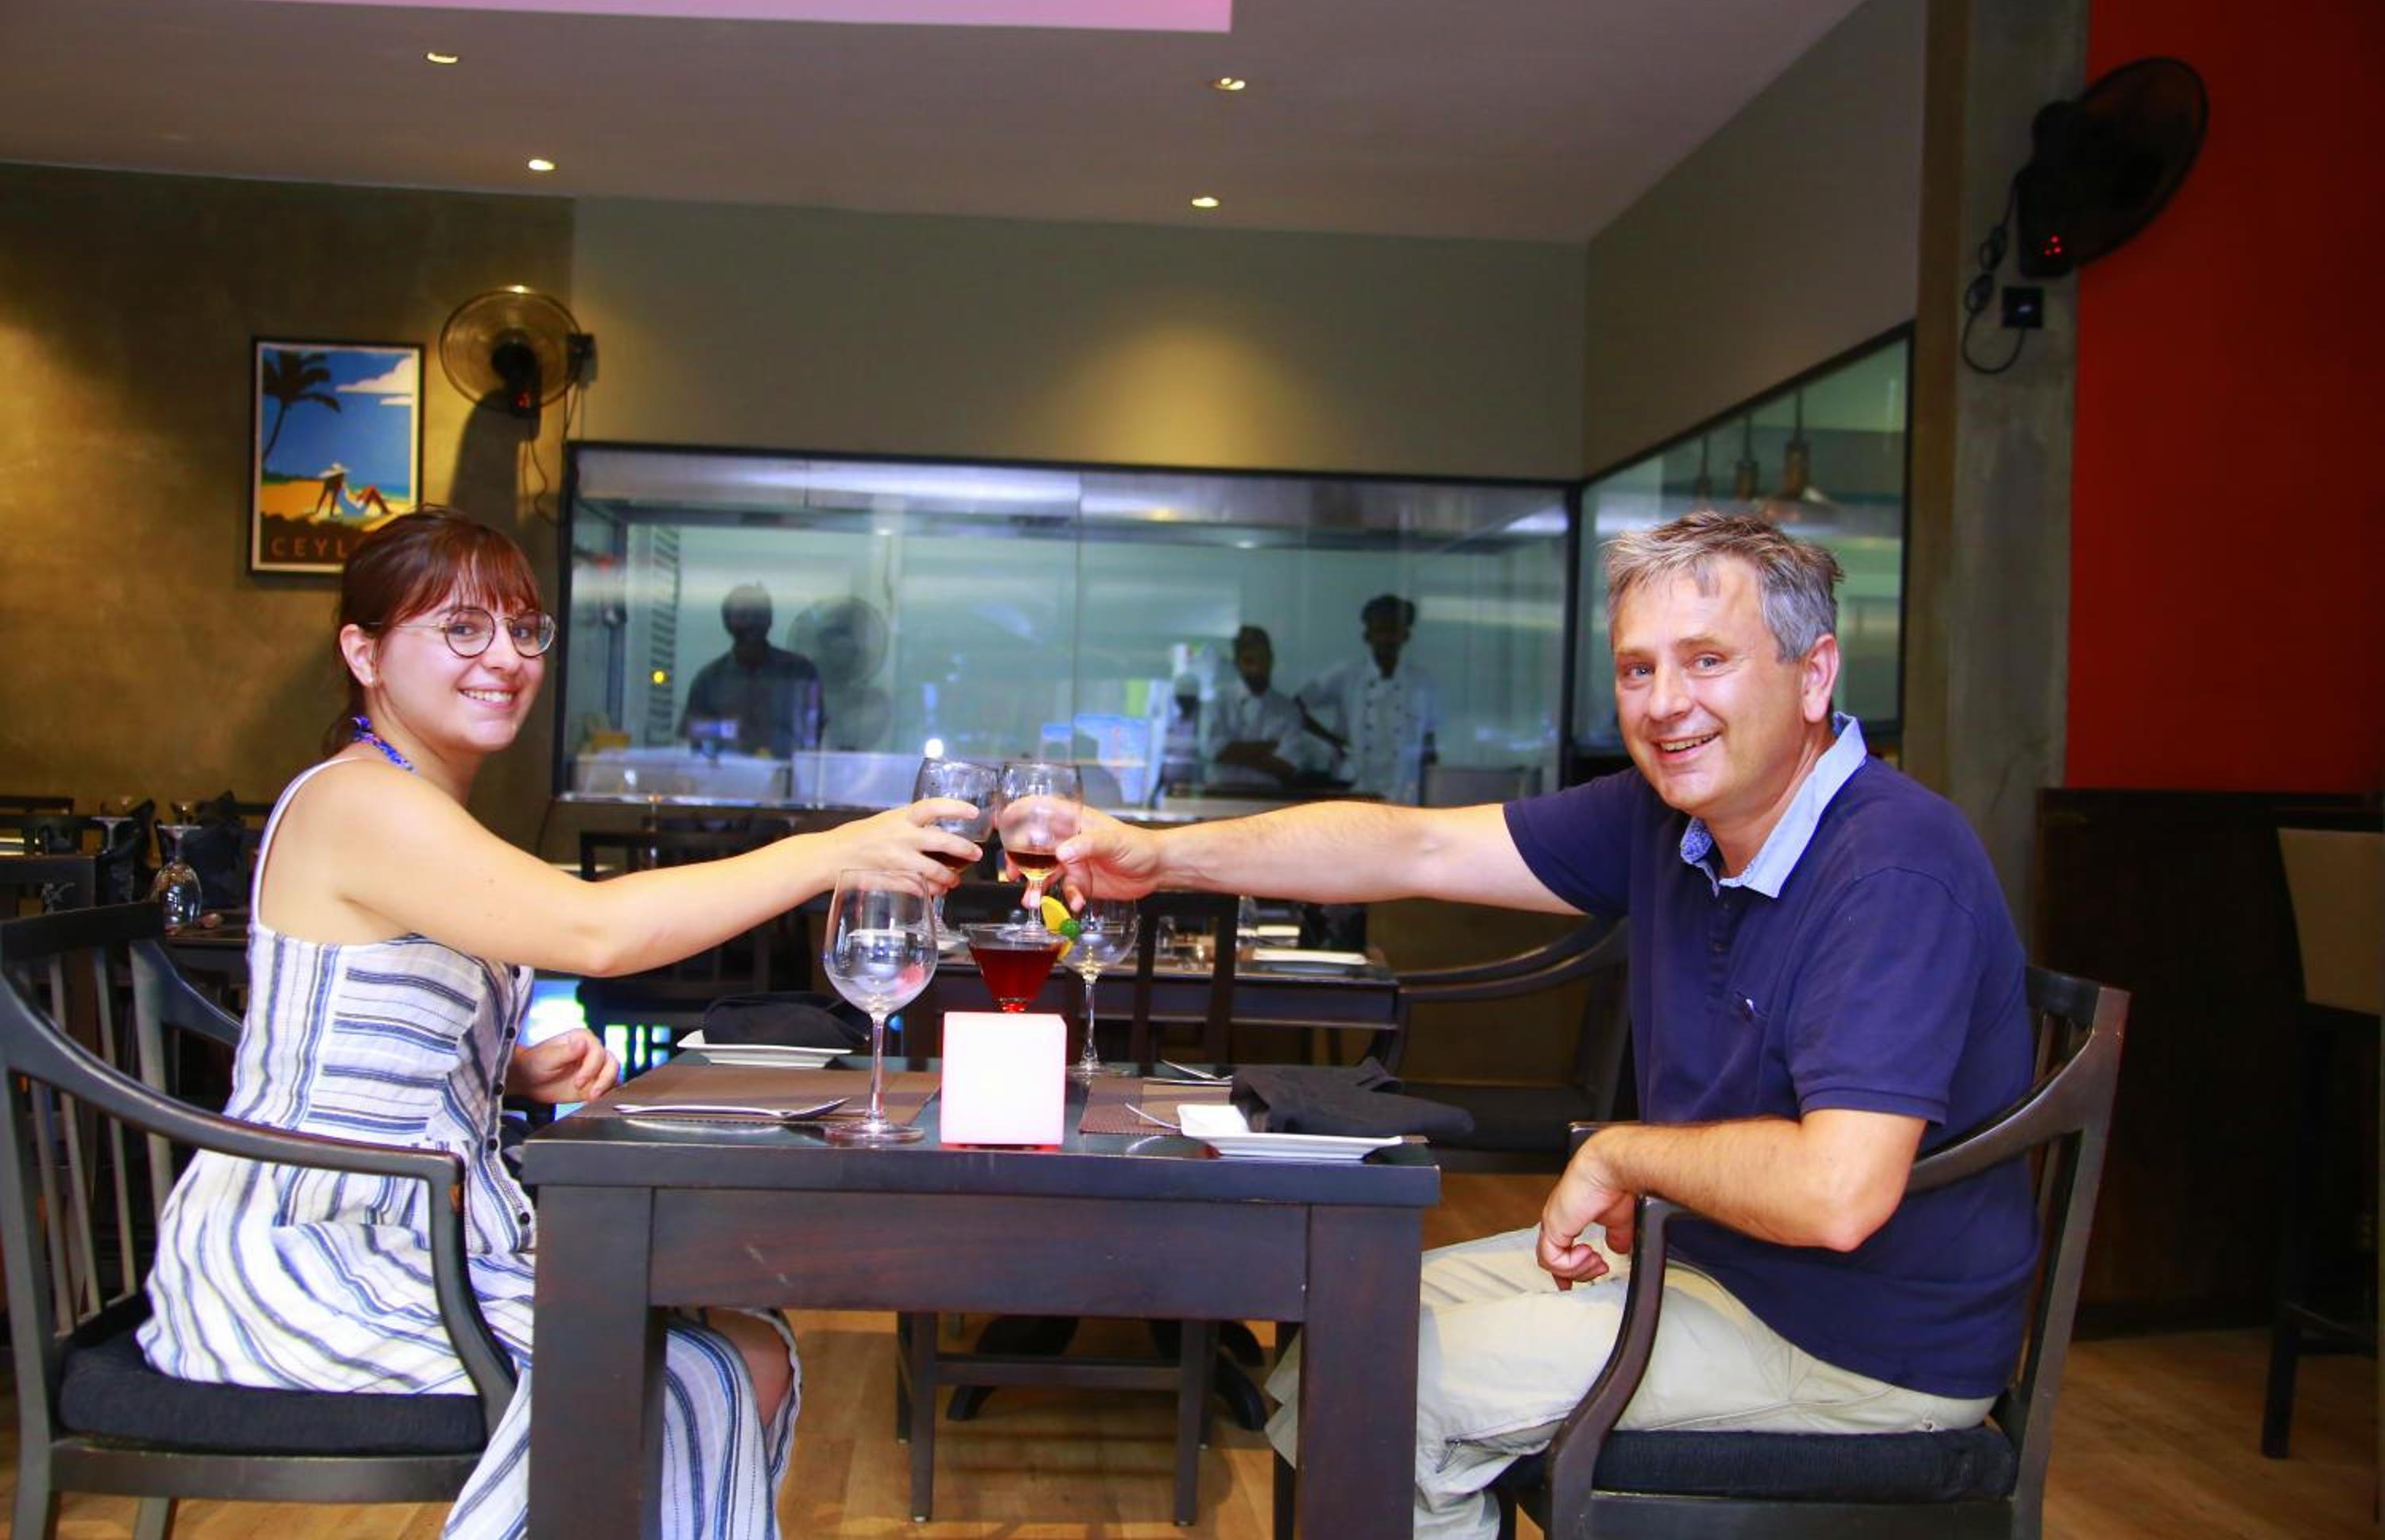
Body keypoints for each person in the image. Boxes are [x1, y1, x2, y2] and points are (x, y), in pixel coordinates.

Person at [1050, 511, 2035, 1539]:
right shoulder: (1674, 817)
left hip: (1861, 1345)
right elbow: (1413, 848)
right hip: (1706, 1266)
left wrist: (1623, 1153)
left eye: (1707, 660)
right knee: (1351, 1322)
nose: (1666, 703)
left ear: (1814, 673)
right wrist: (1160, 856)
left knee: (1396, 1386)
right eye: (1638, 669)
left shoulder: (1892, 867)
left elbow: (1837, 1193)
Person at [137, 507, 976, 1539]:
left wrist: (508, 1071)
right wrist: (834, 851)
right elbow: (594, 931)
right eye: (461, 628)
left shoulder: (417, 804)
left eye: (523, 629)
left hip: (416, 1222)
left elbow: (356, 1022)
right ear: (363, 653)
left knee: (750, 1346)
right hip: (308, 1249)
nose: (504, 657)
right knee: (682, 1371)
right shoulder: (356, 802)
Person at [1298, 592, 1440, 803]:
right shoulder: (1347, 674)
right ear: (1367, 635)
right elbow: (1296, 707)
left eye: (1393, 631)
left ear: (1406, 636)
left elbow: (1429, 741)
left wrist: (1432, 790)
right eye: (1380, 630)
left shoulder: (1421, 681)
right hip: (1355, 785)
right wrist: (1335, 742)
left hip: (1404, 790)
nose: (1387, 638)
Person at [680, 583, 826, 758]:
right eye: (742, 615)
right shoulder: (709, 679)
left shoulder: (799, 671)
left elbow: (813, 731)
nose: (750, 622)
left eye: (758, 615)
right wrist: (731, 730)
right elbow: (693, 731)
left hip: (788, 771)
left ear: (770, 620)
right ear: (727, 622)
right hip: (727, 772)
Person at [1200, 625, 1308, 791]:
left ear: (1271, 660)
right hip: (1220, 797)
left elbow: (1289, 766)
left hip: (1269, 800)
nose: (1257, 668)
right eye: (1249, 661)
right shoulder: (1217, 703)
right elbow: (1214, 751)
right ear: (1237, 663)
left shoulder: (1288, 709)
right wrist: (1267, 748)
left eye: (1262, 659)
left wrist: (1235, 752)